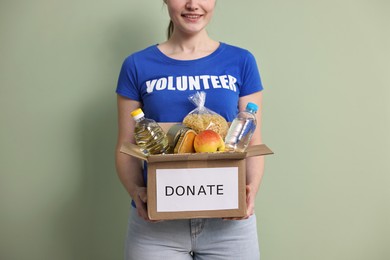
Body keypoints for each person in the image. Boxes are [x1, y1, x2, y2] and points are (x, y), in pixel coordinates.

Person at [115, 0, 265, 259]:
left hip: (227, 221)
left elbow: (252, 141)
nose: (193, 4)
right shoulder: (137, 65)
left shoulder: (241, 61)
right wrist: (136, 192)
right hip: (157, 224)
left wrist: (251, 191)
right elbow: (126, 145)